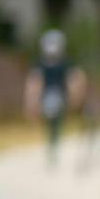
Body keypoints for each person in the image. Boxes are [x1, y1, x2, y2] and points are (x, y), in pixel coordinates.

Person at [23, 29, 86, 168]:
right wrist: (31, 102)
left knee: (55, 124)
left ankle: (53, 146)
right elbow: (34, 83)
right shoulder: (40, 64)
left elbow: (76, 79)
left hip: (60, 98)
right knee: (52, 123)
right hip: (48, 98)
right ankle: (52, 146)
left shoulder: (66, 63)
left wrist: (76, 96)